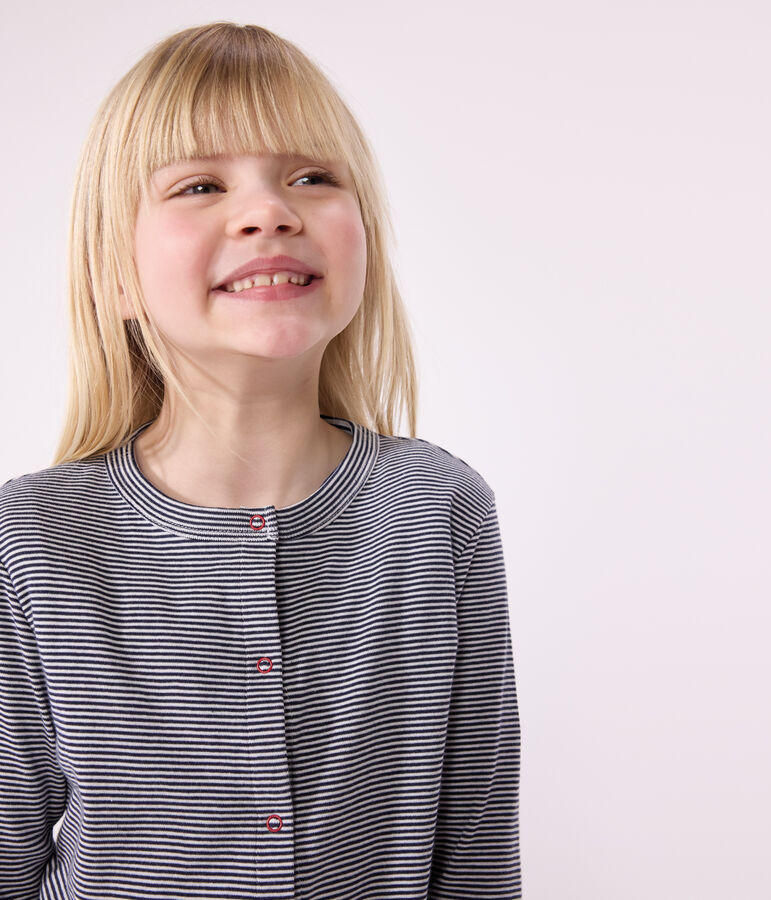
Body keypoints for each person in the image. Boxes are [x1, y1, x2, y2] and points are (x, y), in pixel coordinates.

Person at [0, 21, 521, 899]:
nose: (268, 211)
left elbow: (473, 846)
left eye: (312, 177)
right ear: (115, 276)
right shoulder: (33, 538)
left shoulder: (437, 508)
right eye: (199, 184)